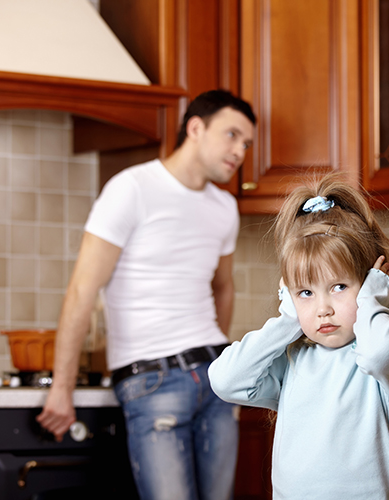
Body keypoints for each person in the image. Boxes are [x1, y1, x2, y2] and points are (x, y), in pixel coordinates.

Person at [37, 89, 257, 500]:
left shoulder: (225, 208)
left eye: (246, 143)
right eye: (232, 135)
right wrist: (61, 388)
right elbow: (82, 290)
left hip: (215, 376)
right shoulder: (132, 188)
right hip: (152, 381)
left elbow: (223, 287)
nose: (240, 151)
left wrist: (221, 361)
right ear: (196, 127)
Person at [208, 174, 389, 499]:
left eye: (339, 287)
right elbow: (226, 379)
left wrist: (373, 300)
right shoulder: (292, 362)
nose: (323, 309)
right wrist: (289, 318)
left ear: (369, 284)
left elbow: (380, 353)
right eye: (305, 292)